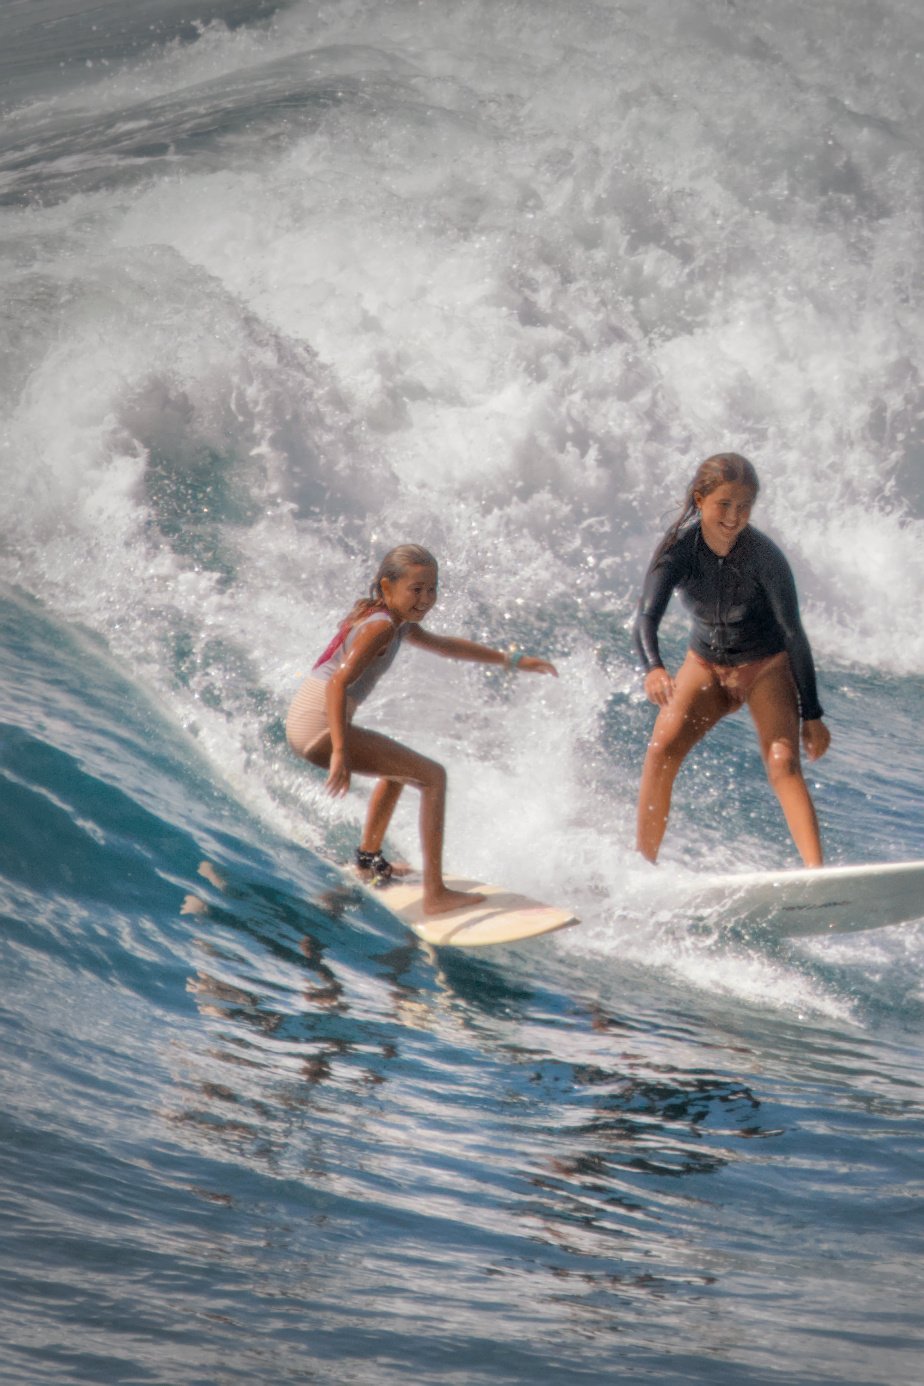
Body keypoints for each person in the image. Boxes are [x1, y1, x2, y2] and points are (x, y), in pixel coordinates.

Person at [286, 543, 558, 916]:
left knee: (398, 770)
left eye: (432, 589)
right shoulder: (380, 627)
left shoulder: (395, 622)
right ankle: (435, 894)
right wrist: (339, 750)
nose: (425, 598)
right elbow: (338, 684)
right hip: (318, 728)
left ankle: (368, 861)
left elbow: (446, 647)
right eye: (416, 589)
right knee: (433, 777)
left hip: (312, 724)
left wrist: (511, 660)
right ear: (387, 587)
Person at [633, 453, 831, 867]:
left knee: (783, 761)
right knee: (661, 749)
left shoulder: (764, 556)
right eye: (724, 504)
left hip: (765, 667)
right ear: (700, 499)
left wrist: (811, 714)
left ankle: (817, 875)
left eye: (744, 507)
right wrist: (654, 667)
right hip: (704, 663)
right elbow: (647, 616)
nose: (734, 516)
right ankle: (641, 867)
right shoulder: (678, 551)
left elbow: (793, 633)